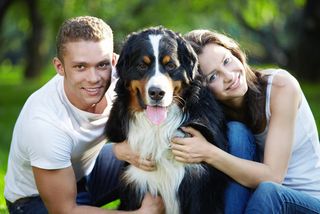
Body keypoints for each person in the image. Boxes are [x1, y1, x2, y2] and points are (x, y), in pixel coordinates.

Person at [4, 16, 163, 214]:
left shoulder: (120, 78)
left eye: (102, 65)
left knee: (157, 156)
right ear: (59, 67)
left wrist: (117, 150)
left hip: (89, 168)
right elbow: (65, 210)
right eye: (81, 67)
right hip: (35, 199)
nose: (94, 78)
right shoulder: (44, 123)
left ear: (114, 61)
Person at [171, 29, 320, 213]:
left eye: (227, 61)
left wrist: (209, 152)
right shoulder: (217, 114)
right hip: (260, 203)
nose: (229, 76)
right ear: (202, 89)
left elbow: (273, 177)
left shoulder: (281, 87)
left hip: (308, 202)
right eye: (213, 76)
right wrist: (124, 150)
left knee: (269, 192)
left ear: (235, 53)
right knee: (237, 132)